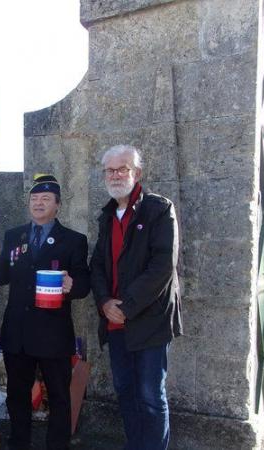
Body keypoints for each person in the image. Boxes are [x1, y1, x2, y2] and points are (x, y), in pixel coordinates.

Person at [0, 174, 90, 450]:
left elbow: (83, 284)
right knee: (17, 395)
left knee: (60, 397)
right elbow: (2, 276)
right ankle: (19, 444)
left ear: (58, 205)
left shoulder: (74, 240)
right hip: (19, 332)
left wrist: (71, 285)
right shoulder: (15, 235)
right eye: (34, 199)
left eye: (45, 199)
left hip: (53, 334)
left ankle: (57, 445)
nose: (38, 204)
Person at [90, 145, 182, 450]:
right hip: (115, 322)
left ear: (137, 173)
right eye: (110, 170)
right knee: (126, 392)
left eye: (123, 169)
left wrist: (125, 307)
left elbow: (162, 266)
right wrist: (105, 303)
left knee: (150, 396)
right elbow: (98, 266)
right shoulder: (106, 216)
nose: (116, 175)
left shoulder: (158, 209)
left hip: (150, 321)